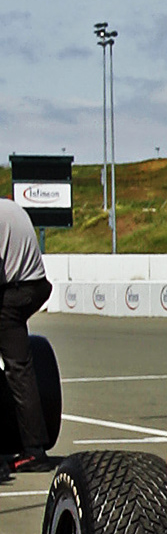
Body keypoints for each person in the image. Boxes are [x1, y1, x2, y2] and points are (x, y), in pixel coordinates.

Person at [0, 192, 53, 477]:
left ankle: (28, 451)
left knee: (18, 371)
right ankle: (34, 449)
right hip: (34, 285)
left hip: (14, 292)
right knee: (20, 369)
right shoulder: (9, 207)